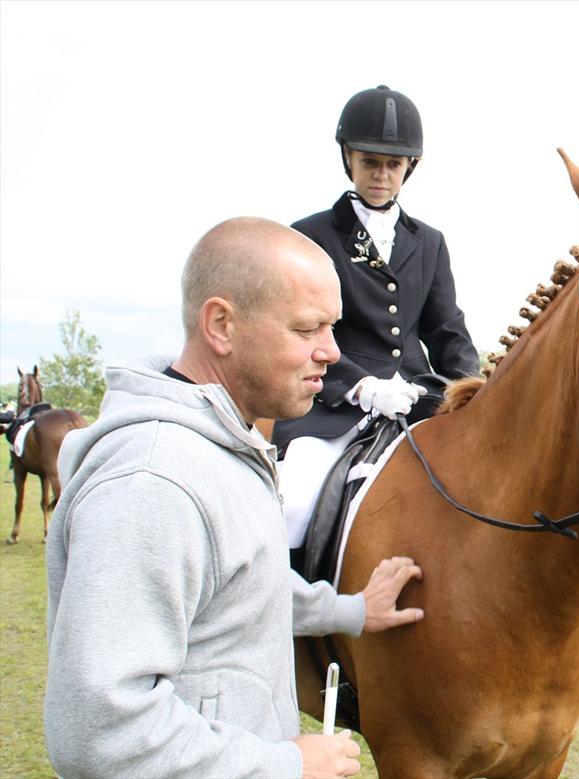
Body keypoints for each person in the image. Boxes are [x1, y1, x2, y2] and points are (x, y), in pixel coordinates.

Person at [44, 217, 424, 779]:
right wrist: (282, 764)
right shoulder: (155, 480)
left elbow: (249, 581)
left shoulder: (224, 447)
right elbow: (99, 727)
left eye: (334, 328)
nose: (332, 352)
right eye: (307, 329)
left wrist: (353, 610)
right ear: (221, 324)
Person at [273, 85, 480, 550]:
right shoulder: (310, 236)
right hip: (332, 406)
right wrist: (360, 385)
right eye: (370, 162)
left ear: (411, 167)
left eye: (392, 164)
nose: (381, 175)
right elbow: (298, 333)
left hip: (416, 397)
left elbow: (447, 331)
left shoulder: (429, 242)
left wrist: (475, 391)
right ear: (348, 158)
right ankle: (287, 616)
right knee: (294, 505)